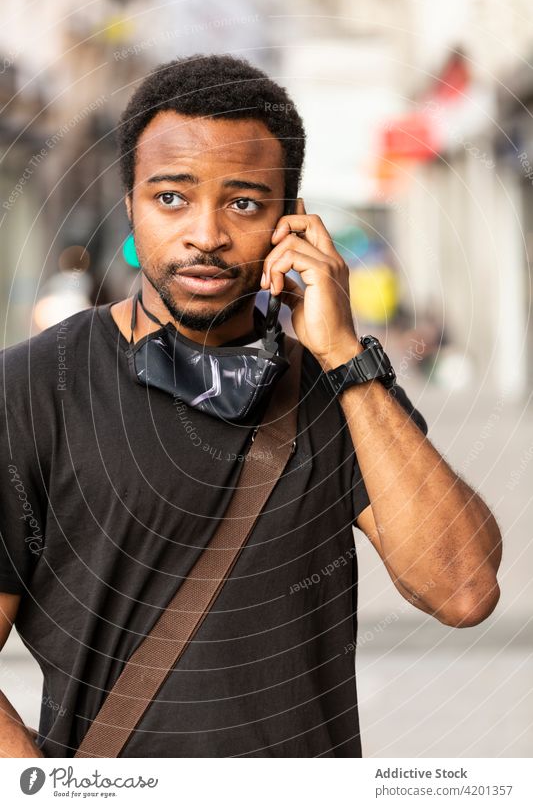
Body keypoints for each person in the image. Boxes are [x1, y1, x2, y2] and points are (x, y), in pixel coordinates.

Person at [0, 54, 502, 758]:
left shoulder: (340, 391)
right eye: (171, 197)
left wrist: (340, 354)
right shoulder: (28, 388)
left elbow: (462, 588)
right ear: (131, 206)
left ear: (290, 223)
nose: (204, 233)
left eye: (242, 202)